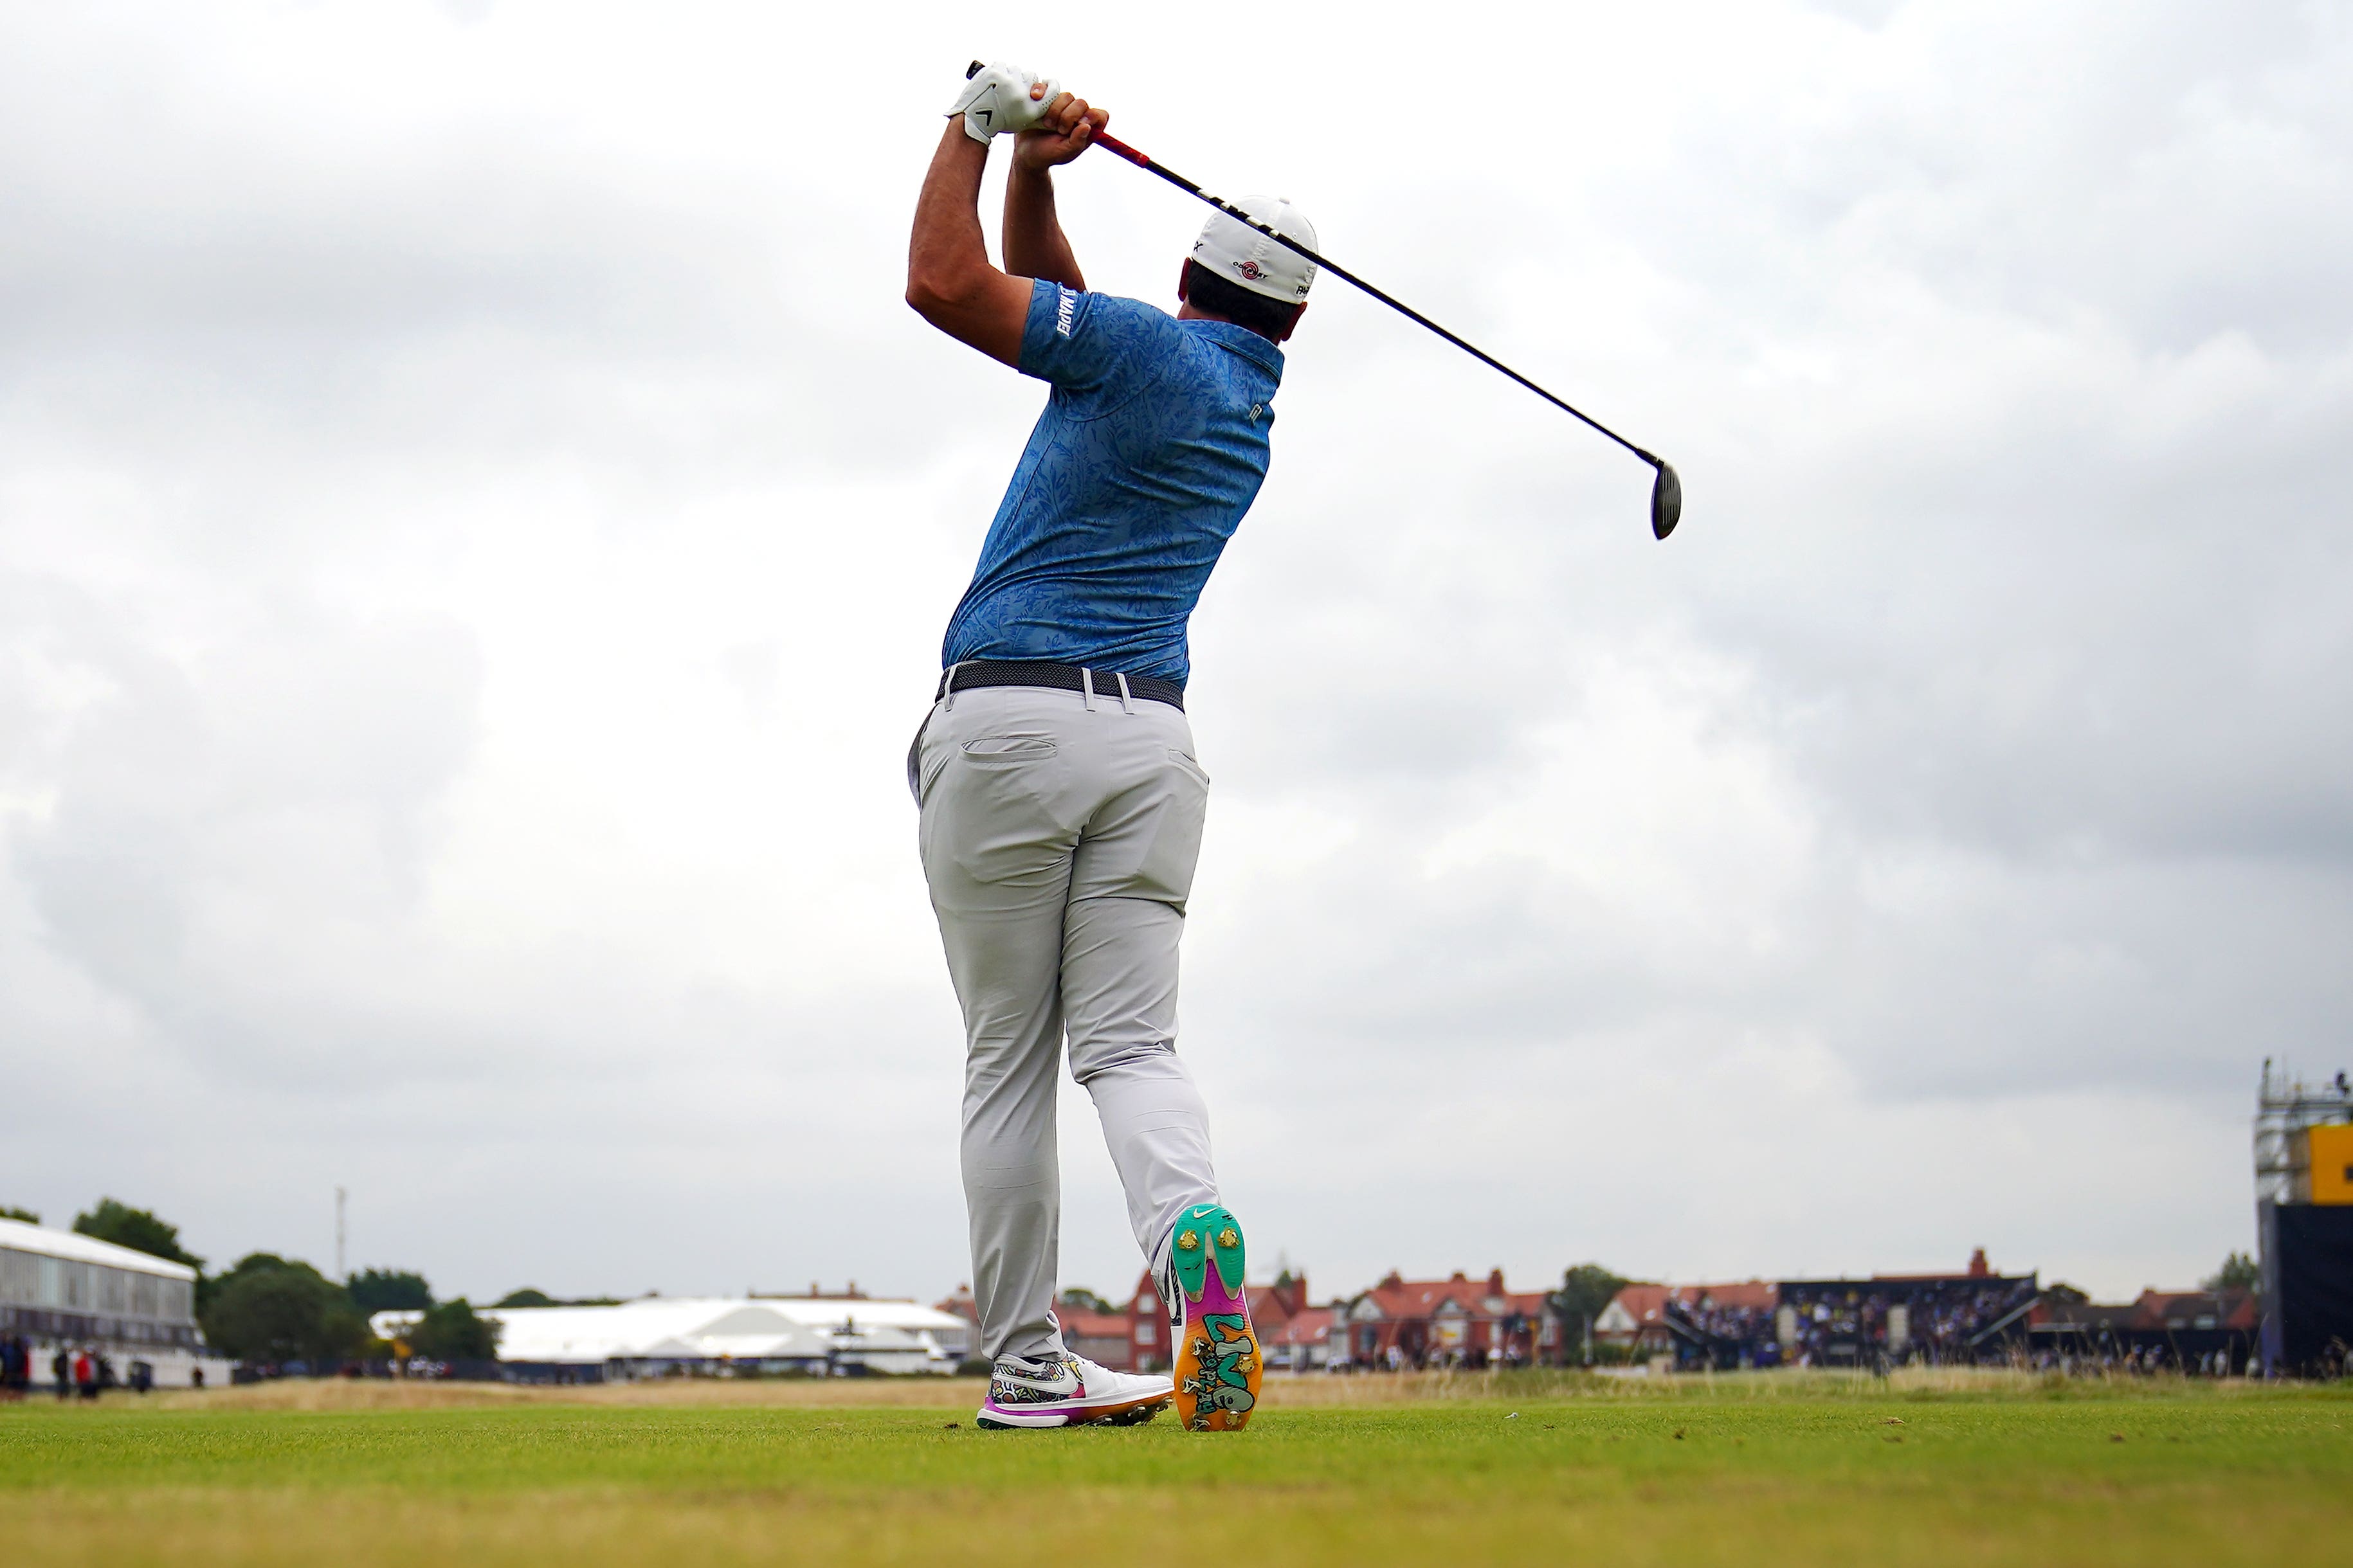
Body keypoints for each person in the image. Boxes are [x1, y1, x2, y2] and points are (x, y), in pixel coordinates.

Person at [906, 62, 1318, 1432]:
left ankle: (1028, 1362)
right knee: (1132, 1049)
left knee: (1008, 1057)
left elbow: (946, 285)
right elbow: (1058, 302)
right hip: (1151, 746)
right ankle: (1190, 1232)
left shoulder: (1143, 349)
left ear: (1192, 282)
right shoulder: (1243, 404)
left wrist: (972, 130)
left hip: (1013, 722)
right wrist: (1039, 169)